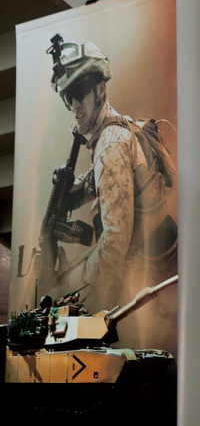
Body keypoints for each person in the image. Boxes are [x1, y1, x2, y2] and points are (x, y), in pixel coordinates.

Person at [42, 35, 178, 317]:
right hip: (158, 261)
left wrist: (65, 287)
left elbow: (115, 245)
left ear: (100, 90)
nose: (75, 106)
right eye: (69, 98)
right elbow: (103, 181)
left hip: (152, 274)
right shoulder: (117, 130)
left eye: (80, 92)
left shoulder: (110, 144)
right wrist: (71, 192)